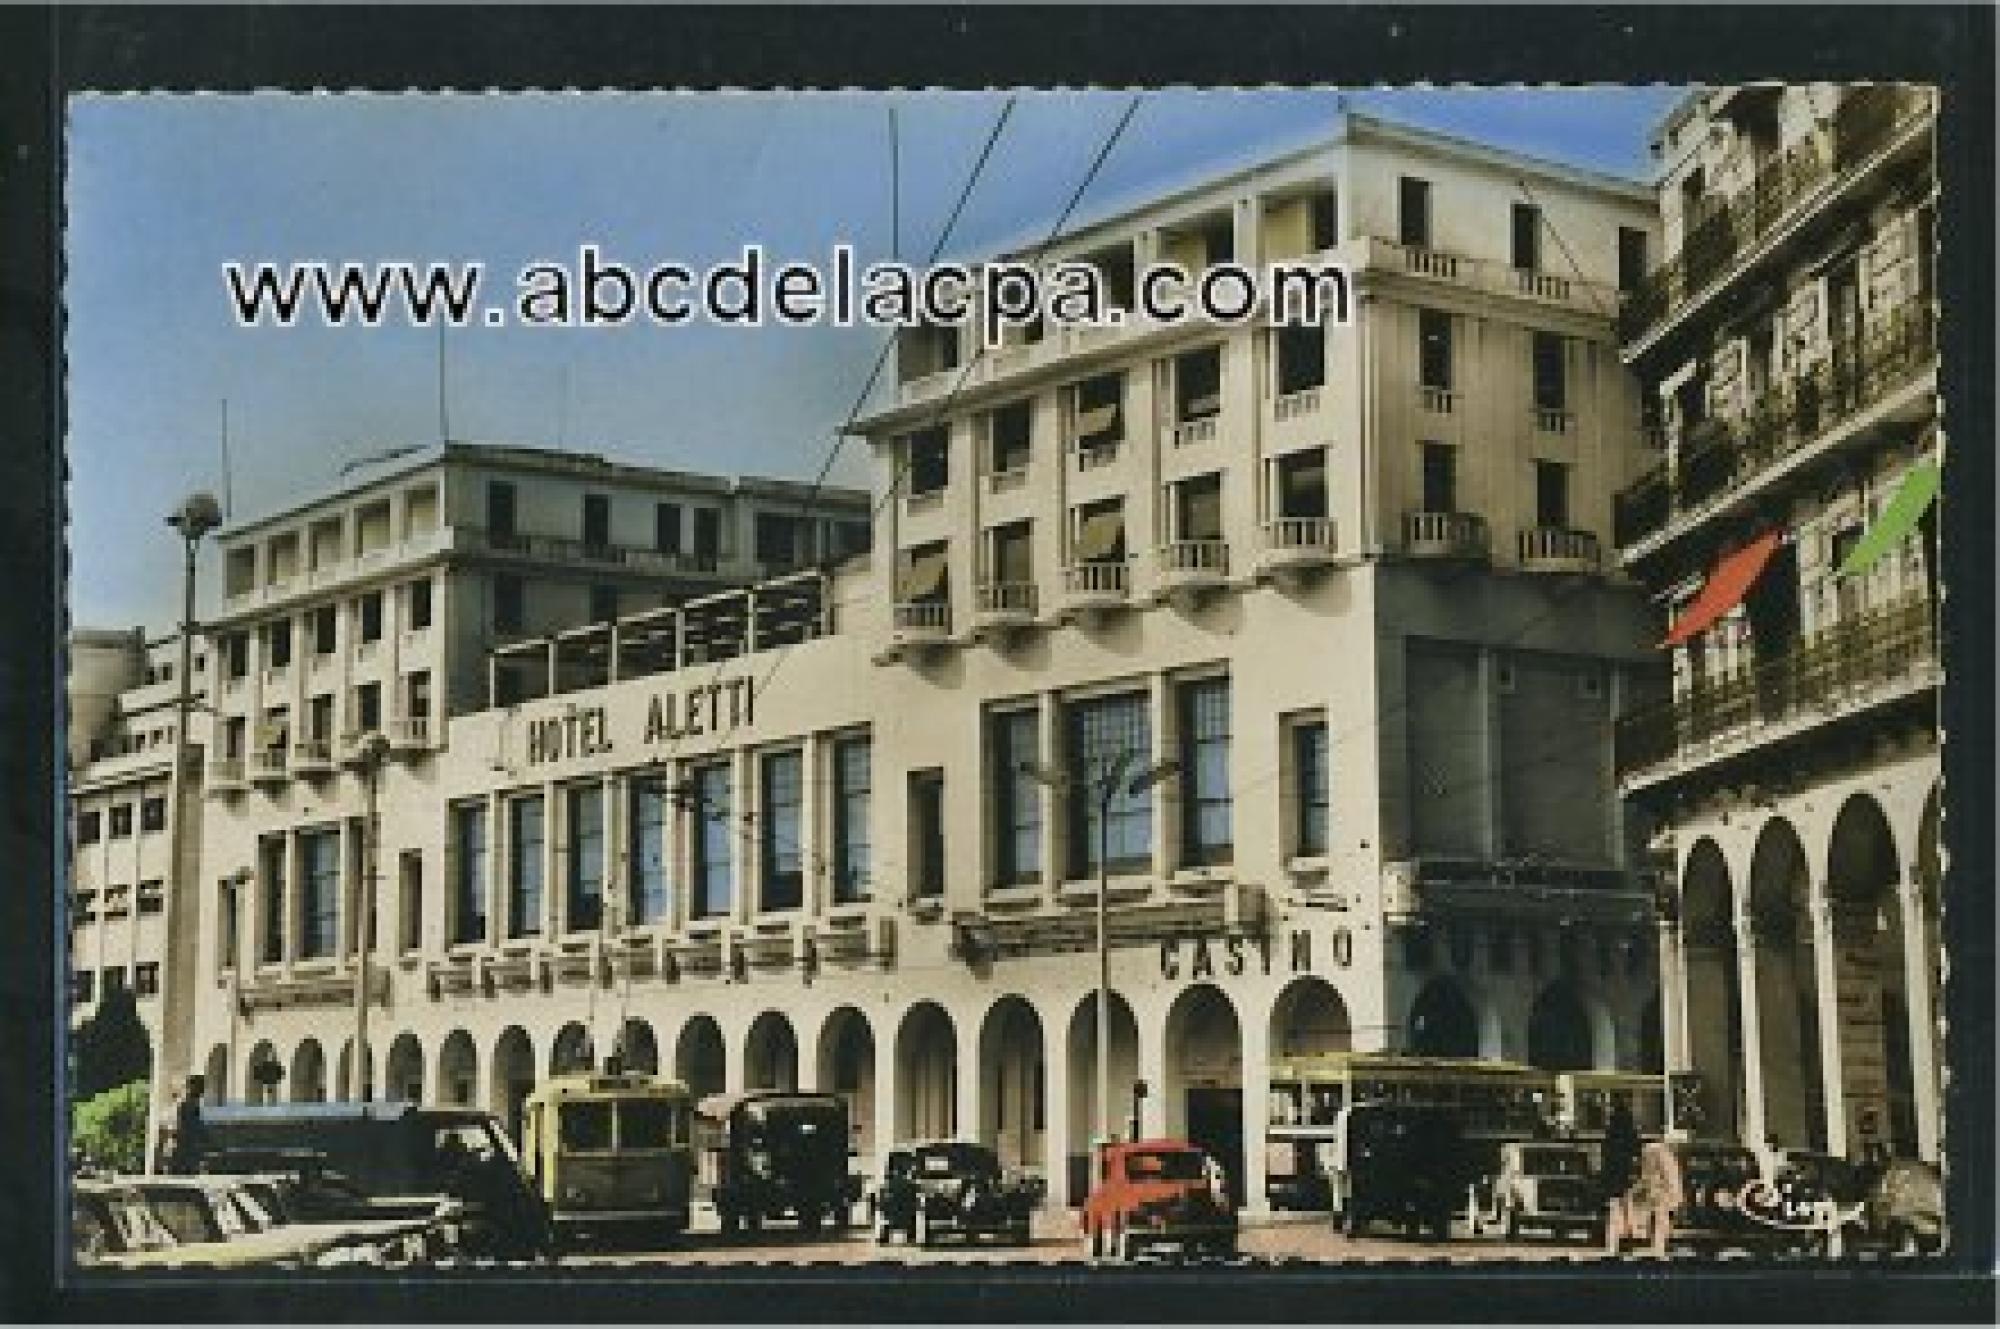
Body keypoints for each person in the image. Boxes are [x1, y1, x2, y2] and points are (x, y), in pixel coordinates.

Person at [1631, 1135, 1685, 1257]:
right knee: (1660, 1217)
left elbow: (1649, 1177)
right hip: (1671, 1191)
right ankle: (1659, 1247)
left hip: (1663, 1192)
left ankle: (1657, 1248)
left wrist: (1636, 1190)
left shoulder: (1650, 1150)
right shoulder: (1663, 1150)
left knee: (1658, 1215)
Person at [1599, 1102, 1641, 1256]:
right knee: (1627, 1207)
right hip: (1626, 1173)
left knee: (1614, 1208)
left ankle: (1613, 1243)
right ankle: (1627, 1240)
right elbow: (1636, 1151)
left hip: (1612, 1174)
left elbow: (1605, 1154)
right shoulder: (1630, 1133)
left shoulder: (1610, 1133)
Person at [166, 1075, 209, 1175]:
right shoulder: (186, 1105)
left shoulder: (197, 1106)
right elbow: (179, 1128)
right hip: (184, 1151)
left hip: (190, 1151)